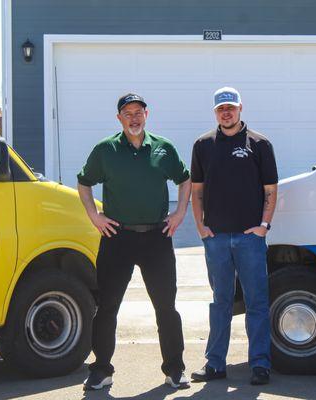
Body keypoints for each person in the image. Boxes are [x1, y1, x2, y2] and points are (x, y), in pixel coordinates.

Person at [77, 93, 191, 390]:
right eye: (127, 113)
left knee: (166, 307)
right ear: (119, 118)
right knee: (107, 308)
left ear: (146, 114)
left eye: (138, 111)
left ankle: (175, 369)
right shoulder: (106, 150)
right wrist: (95, 216)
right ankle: (102, 370)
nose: (133, 117)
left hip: (157, 237)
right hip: (118, 238)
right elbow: (84, 182)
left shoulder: (163, 149)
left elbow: (185, 178)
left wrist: (180, 213)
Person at [190, 87, 277, 385]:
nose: (225, 112)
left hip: (249, 238)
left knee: (256, 303)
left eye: (230, 107)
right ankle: (215, 364)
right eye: (220, 109)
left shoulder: (260, 144)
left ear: (241, 108)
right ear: (215, 112)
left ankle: (260, 365)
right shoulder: (202, 145)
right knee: (221, 302)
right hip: (216, 239)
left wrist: (263, 226)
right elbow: (196, 190)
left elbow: (270, 190)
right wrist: (201, 228)